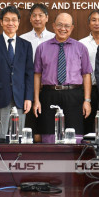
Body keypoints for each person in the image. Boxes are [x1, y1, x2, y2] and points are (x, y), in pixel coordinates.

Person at [33, 13, 92, 143]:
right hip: (49, 95)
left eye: (67, 26)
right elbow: (37, 75)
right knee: (49, 137)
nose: (63, 28)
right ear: (53, 26)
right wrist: (36, 100)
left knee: (74, 137)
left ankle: (72, 163)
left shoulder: (81, 48)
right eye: (59, 25)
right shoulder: (42, 48)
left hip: (74, 95)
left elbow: (86, 74)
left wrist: (87, 100)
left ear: (72, 28)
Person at [0, 6, 33, 136]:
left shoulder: (26, 45)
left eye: (14, 20)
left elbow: (29, 74)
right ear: (1, 22)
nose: (10, 23)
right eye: (7, 20)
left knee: (19, 137)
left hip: (20, 98)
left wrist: (28, 97)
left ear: (19, 22)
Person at [20, 3, 54, 141]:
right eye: (34, 15)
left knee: (46, 124)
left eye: (40, 15)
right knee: (30, 126)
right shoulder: (22, 38)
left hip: (47, 87)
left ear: (47, 18)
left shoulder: (54, 38)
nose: (37, 18)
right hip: (26, 87)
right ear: (30, 19)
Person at [79, 9, 99, 134]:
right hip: (87, 89)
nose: (96, 23)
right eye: (93, 20)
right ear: (89, 24)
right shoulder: (81, 44)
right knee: (86, 123)